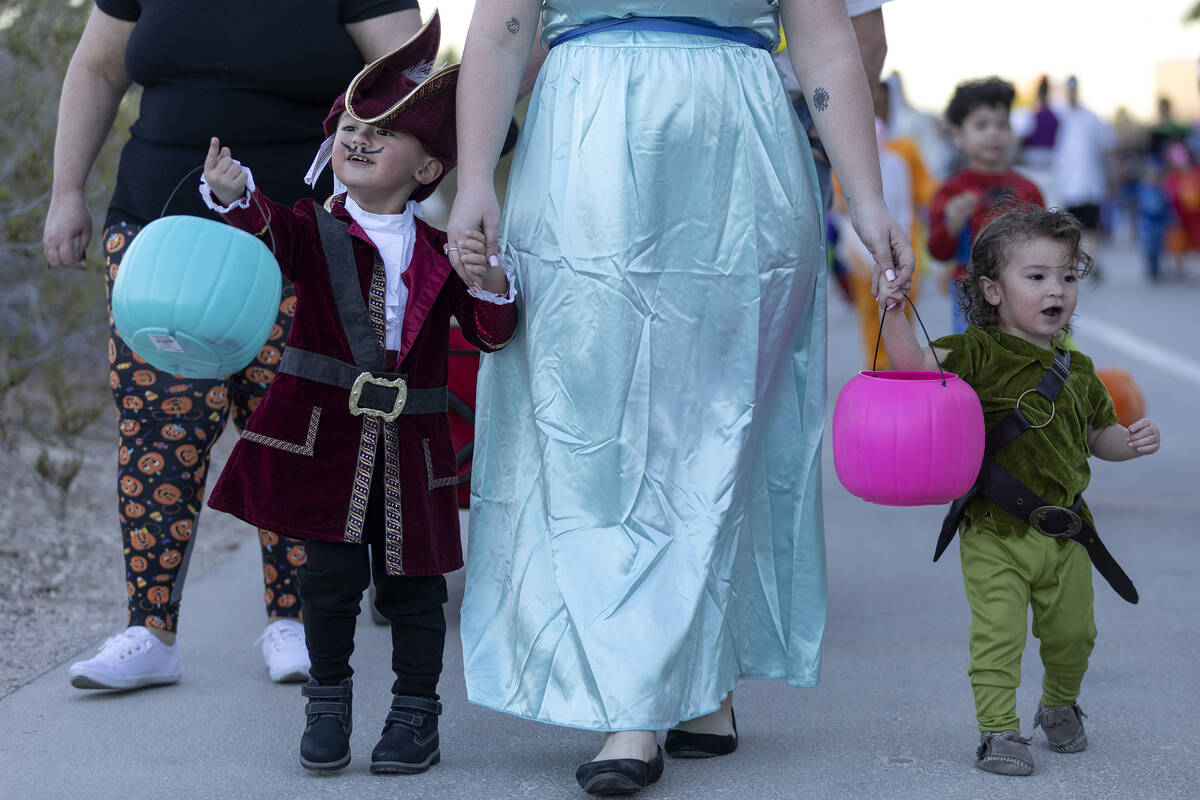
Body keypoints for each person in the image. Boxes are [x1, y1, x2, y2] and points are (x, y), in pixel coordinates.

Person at [448, 1, 913, 795]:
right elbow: (499, 30)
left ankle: (657, 695)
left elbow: (825, 40)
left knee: (720, 423)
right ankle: (672, 687)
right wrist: (472, 179)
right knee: (595, 419)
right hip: (582, 151)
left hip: (739, 155)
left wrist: (868, 200)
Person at [43, 0, 423, 691]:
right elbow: (97, 69)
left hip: (298, 236)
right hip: (158, 231)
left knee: (292, 425)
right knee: (159, 427)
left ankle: (295, 621)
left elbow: (409, 86)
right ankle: (148, 630)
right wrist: (67, 191)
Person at [200, 14, 518, 774]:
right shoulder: (313, 228)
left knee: (416, 590)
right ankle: (328, 702)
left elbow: (492, 330)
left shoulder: (445, 252)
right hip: (325, 444)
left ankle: (416, 715)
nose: (359, 138)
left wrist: (494, 282)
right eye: (350, 125)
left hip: (414, 451)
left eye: (383, 132)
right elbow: (268, 230)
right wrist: (234, 194)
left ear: (430, 170)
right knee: (330, 580)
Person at [878, 206, 1160, 776]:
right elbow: (911, 365)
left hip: (1068, 533)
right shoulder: (976, 352)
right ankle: (998, 732)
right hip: (994, 529)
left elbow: (1096, 436)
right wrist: (890, 311)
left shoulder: (1078, 370)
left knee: (1074, 635)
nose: (1056, 289)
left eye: (1068, 276)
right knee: (999, 635)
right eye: (1037, 277)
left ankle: (1059, 703)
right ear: (992, 289)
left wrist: (1126, 442)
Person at [928, 78, 1043, 333]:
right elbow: (937, 250)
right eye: (981, 125)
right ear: (958, 135)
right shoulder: (951, 191)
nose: (993, 133)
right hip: (970, 297)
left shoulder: (1028, 190)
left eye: (1002, 124)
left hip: (1021, 295)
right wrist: (951, 225)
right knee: (975, 365)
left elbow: (1047, 250)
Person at [1052, 76, 1114, 263]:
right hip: (1066, 184)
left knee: (1091, 228)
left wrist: (1111, 178)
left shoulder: (1091, 117)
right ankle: (1073, 261)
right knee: (1068, 228)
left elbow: (1107, 148)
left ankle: (1093, 261)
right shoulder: (1058, 115)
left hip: (1090, 183)